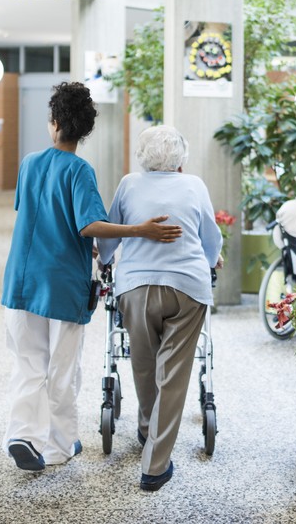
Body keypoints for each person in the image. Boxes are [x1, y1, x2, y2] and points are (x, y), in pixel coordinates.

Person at [0, 82, 183, 473]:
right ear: (84, 131)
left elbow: (34, 213)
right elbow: (89, 226)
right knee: (61, 369)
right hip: (62, 284)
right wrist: (140, 230)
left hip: (20, 280)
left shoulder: (30, 163)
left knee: (28, 364)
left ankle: (21, 435)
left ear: (53, 124)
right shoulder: (79, 170)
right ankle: (59, 446)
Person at [97, 125, 223, 492]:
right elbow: (210, 239)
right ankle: (154, 466)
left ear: (142, 155)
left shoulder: (129, 184)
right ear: (181, 158)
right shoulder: (195, 185)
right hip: (186, 288)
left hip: (136, 287)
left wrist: (106, 262)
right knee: (173, 376)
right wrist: (211, 263)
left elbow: (112, 231)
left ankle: (144, 428)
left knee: (144, 363)